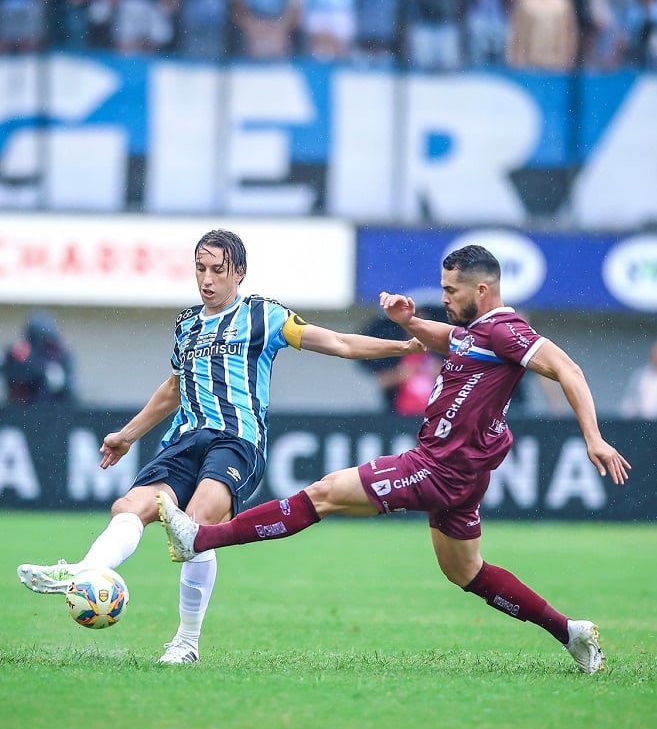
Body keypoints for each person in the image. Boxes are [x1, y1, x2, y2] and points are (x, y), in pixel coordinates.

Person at [156, 244, 631, 674]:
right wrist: (408, 321)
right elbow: (444, 337)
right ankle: (570, 632)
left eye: (451, 290)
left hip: (439, 466)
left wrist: (593, 437)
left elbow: (567, 368)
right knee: (466, 572)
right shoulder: (478, 332)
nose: (443, 297)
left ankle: (201, 536)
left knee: (323, 494)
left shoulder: (509, 331)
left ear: (482, 290)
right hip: (460, 475)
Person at [17, 230, 424, 664]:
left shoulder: (265, 316)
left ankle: (186, 643)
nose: (206, 280)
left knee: (197, 525)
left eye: (217, 270)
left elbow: (339, 343)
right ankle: (88, 571)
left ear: (240, 273)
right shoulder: (187, 324)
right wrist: (127, 434)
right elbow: (173, 389)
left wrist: (403, 346)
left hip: (237, 440)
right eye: (200, 269)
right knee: (130, 506)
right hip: (184, 438)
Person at [0, 309, 77, 406]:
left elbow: (62, 386)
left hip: (53, 409)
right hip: (18, 409)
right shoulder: (20, 352)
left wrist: (40, 370)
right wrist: (12, 358)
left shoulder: (60, 354)